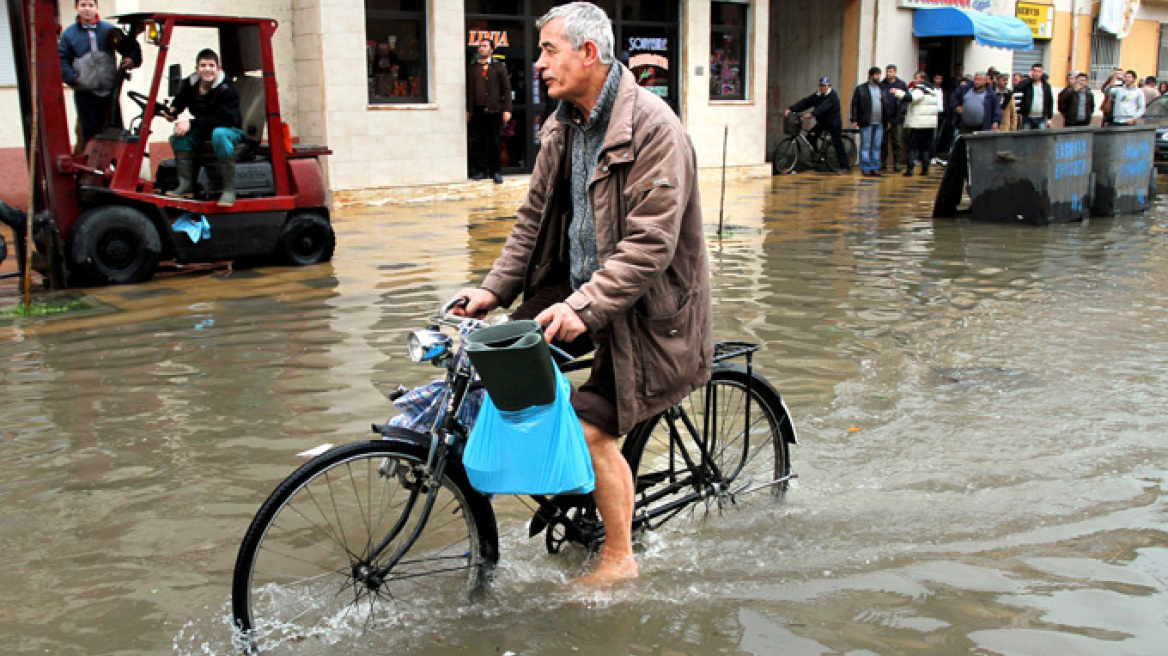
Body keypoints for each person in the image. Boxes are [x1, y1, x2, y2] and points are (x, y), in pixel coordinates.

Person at [451, 1, 712, 588]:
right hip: (575, 292)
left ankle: (619, 558)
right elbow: (531, 220)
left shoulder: (654, 128)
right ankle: (566, 489)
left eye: (548, 50)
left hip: (645, 313)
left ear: (588, 53)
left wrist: (582, 306)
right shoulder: (562, 126)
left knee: (590, 430)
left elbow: (649, 246)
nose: (537, 63)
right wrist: (492, 291)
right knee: (497, 366)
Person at [164, 49, 247, 206]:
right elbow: (180, 100)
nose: (207, 69)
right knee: (180, 135)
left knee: (219, 134)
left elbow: (225, 119)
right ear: (197, 68)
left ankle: (229, 190)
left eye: (211, 65)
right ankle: (185, 185)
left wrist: (192, 123)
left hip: (230, 129)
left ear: (218, 69)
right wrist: (173, 111)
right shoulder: (191, 84)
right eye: (203, 65)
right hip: (206, 129)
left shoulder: (227, 90)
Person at [58, 0, 142, 148]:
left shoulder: (109, 31)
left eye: (90, 5)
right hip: (85, 94)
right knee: (90, 136)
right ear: (76, 8)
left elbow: (130, 48)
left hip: (109, 94)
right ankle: (91, 169)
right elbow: (61, 60)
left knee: (115, 134)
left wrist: (131, 60)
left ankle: (115, 168)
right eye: (83, 5)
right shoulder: (69, 35)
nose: (87, 9)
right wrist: (74, 79)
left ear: (96, 8)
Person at [466, 40, 513, 184]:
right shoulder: (473, 67)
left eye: (485, 46)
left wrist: (507, 109)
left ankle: (495, 171)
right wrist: (469, 110)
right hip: (477, 110)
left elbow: (506, 89)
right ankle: (481, 170)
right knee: (478, 141)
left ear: (491, 50)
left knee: (494, 141)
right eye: (480, 46)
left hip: (494, 109)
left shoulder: (498, 67)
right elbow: (468, 90)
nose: (481, 48)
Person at [787, 77, 850, 174]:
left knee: (837, 142)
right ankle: (817, 156)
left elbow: (824, 107)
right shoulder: (817, 95)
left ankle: (845, 166)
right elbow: (806, 102)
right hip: (822, 122)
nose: (823, 88)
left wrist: (813, 114)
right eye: (821, 85)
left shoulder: (832, 96)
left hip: (833, 122)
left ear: (829, 86)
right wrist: (792, 109)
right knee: (810, 137)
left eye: (825, 86)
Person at [850, 67, 888, 176]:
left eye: (879, 75)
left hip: (879, 122)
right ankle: (866, 167)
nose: (878, 77)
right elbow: (855, 105)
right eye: (876, 75)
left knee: (876, 146)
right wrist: (854, 119)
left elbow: (885, 105)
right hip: (866, 121)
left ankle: (875, 167)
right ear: (870, 76)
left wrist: (887, 120)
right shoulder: (861, 89)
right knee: (866, 145)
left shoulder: (882, 88)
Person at [903, 71, 938, 177]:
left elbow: (911, 98)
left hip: (918, 124)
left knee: (911, 147)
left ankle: (910, 170)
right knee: (925, 148)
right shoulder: (933, 90)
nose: (914, 80)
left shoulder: (919, 90)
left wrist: (897, 93)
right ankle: (925, 170)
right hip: (929, 124)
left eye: (916, 78)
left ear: (922, 79)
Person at [952, 71, 1001, 135]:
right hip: (964, 128)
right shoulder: (965, 89)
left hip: (982, 128)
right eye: (975, 79)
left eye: (979, 80)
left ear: (985, 81)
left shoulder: (991, 95)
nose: (976, 82)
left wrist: (995, 121)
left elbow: (996, 109)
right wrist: (956, 106)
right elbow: (954, 97)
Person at [880, 64, 909, 172]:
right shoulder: (882, 85)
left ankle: (896, 163)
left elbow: (906, 99)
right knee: (883, 142)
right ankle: (883, 162)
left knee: (896, 141)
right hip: (884, 117)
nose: (888, 74)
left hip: (897, 117)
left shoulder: (901, 84)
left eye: (891, 71)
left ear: (895, 72)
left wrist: (902, 111)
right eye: (887, 71)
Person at [1015, 63, 1053, 129]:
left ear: (1042, 73)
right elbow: (1018, 87)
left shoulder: (1046, 86)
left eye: (1039, 71)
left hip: (1041, 118)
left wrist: (1049, 118)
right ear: (1032, 72)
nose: (1037, 73)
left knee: (1040, 138)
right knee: (1025, 138)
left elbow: (1050, 101)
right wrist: (1030, 78)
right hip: (1028, 117)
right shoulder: (1028, 85)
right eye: (1035, 71)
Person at [932, 72, 953, 166]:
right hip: (932, 114)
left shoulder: (944, 91)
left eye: (940, 79)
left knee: (938, 136)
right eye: (937, 78)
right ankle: (931, 155)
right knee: (932, 136)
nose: (938, 81)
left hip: (941, 114)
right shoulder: (930, 90)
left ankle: (936, 155)